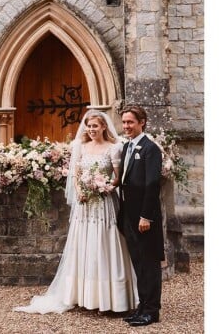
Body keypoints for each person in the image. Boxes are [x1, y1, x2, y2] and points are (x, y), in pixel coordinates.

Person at [14, 109, 138, 315]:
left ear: (104, 127)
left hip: (104, 204)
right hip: (84, 205)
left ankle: (110, 298)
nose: (91, 129)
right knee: (84, 244)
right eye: (89, 126)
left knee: (104, 244)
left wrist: (105, 187)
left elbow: (118, 177)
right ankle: (83, 295)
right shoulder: (80, 146)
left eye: (95, 126)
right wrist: (81, 191)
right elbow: (76, 175)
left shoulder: (114, 148)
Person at [118, 105, 164, 327]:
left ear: (142, 122)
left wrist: (146, 216)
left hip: (144, 219)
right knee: (138, 264)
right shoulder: (127, 147)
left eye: (130, 122)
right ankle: (142, 306)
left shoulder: (150, 149)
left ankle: (152, 311)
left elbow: (152, 184)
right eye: (124, 122)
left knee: (150, 264)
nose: (126, 126)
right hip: (129, 215)